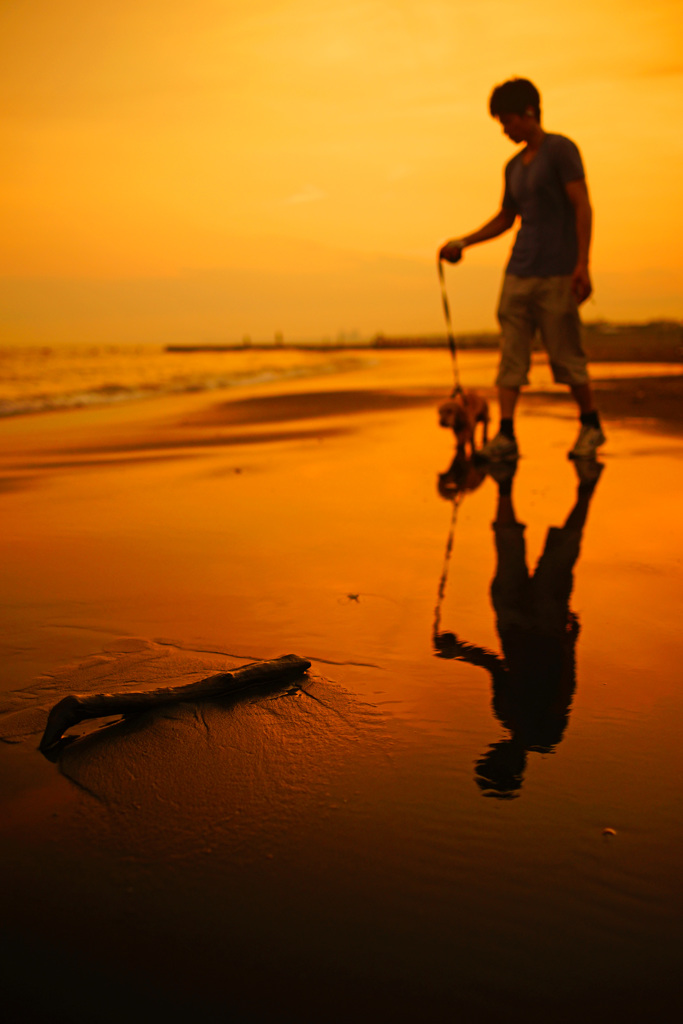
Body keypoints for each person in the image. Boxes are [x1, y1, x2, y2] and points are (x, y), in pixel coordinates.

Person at [439, 78, 605, 461]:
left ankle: (591, 425)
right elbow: (506, 217)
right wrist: (463, 241)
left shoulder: (561, 150)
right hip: (518, 270)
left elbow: (583, 206)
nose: (504, 129)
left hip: (558, 270)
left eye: (508, 120)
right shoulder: (512, 166)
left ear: (530, 113)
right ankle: (507, 435)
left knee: (565, 353)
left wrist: (583, 263)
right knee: (511, 356)